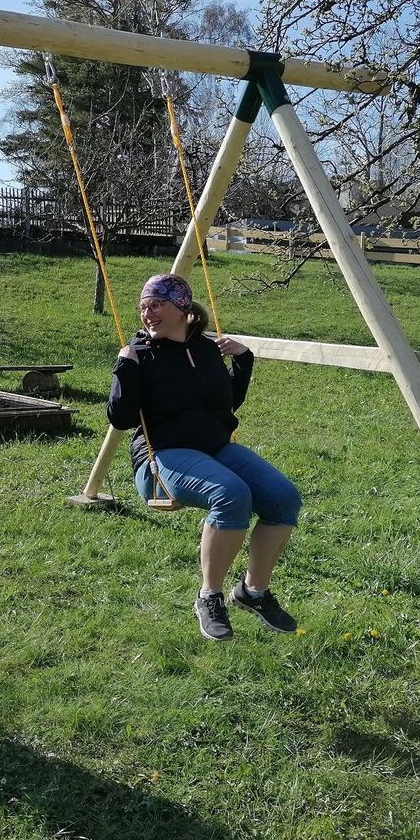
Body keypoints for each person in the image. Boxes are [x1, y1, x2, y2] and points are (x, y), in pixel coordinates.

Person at [107, 274, 302, 640]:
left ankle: (253, 592)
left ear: (182, 307)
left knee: (284, 499)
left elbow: (227, 402)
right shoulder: (141, 355)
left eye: (156, 304)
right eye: (144, 307)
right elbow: (121, 418)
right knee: (230, 494)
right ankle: (209, 597)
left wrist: (243, 361)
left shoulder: (207, 350)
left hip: (214, 447)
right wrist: (125, 368)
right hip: (161, 459)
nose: (147, 314)